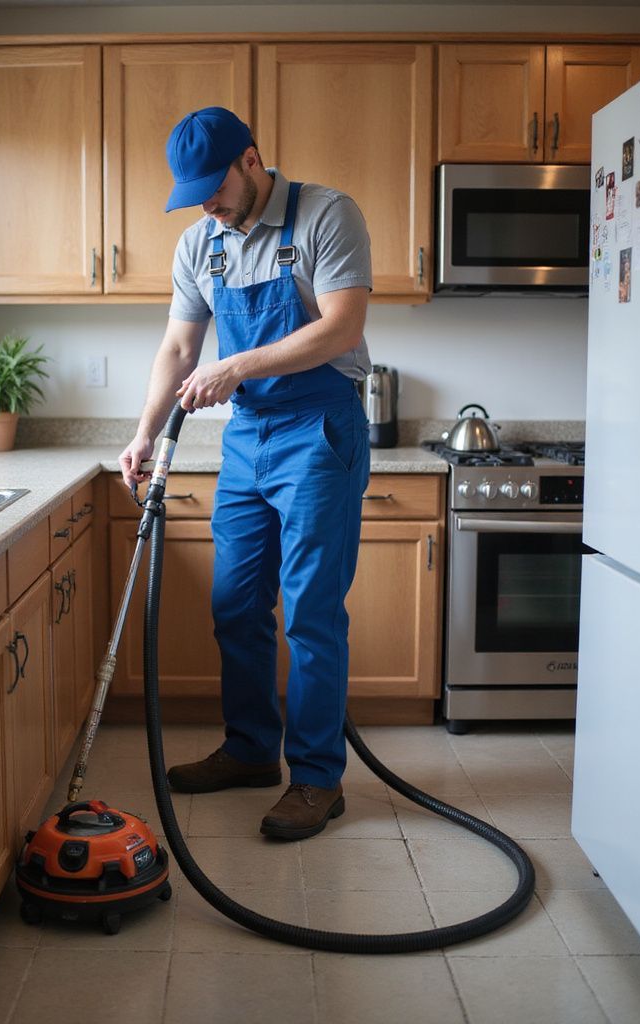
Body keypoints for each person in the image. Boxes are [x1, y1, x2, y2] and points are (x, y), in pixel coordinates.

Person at [118, 106, 372, 841]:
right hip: (249, 438)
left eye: (215, 185)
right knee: (234, 605)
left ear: (253, 161)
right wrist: (141, 436)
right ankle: (253, 749)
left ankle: (318, 778)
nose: (206, 203)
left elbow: (342, 327)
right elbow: (177, 349)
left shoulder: (327, 216)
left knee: (311, 614)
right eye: (193, 192)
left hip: (319, 429)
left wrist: (236, 365)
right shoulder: (201, 243)